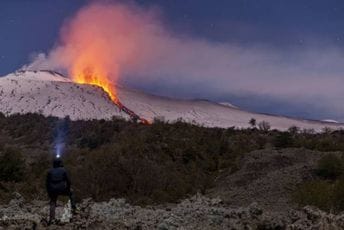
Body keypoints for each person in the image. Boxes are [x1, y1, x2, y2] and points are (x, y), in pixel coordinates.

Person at [46, 157, 76, 223]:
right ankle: (74, 209)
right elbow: (68, 181)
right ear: (60, 163)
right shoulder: (63, 170)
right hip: (61, 189)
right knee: (71, 193)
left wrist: (49, 192)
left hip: (52, 190)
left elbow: (47, 183)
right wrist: (68, 188)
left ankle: (52, 219)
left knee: (53, 202)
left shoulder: (49, 171)